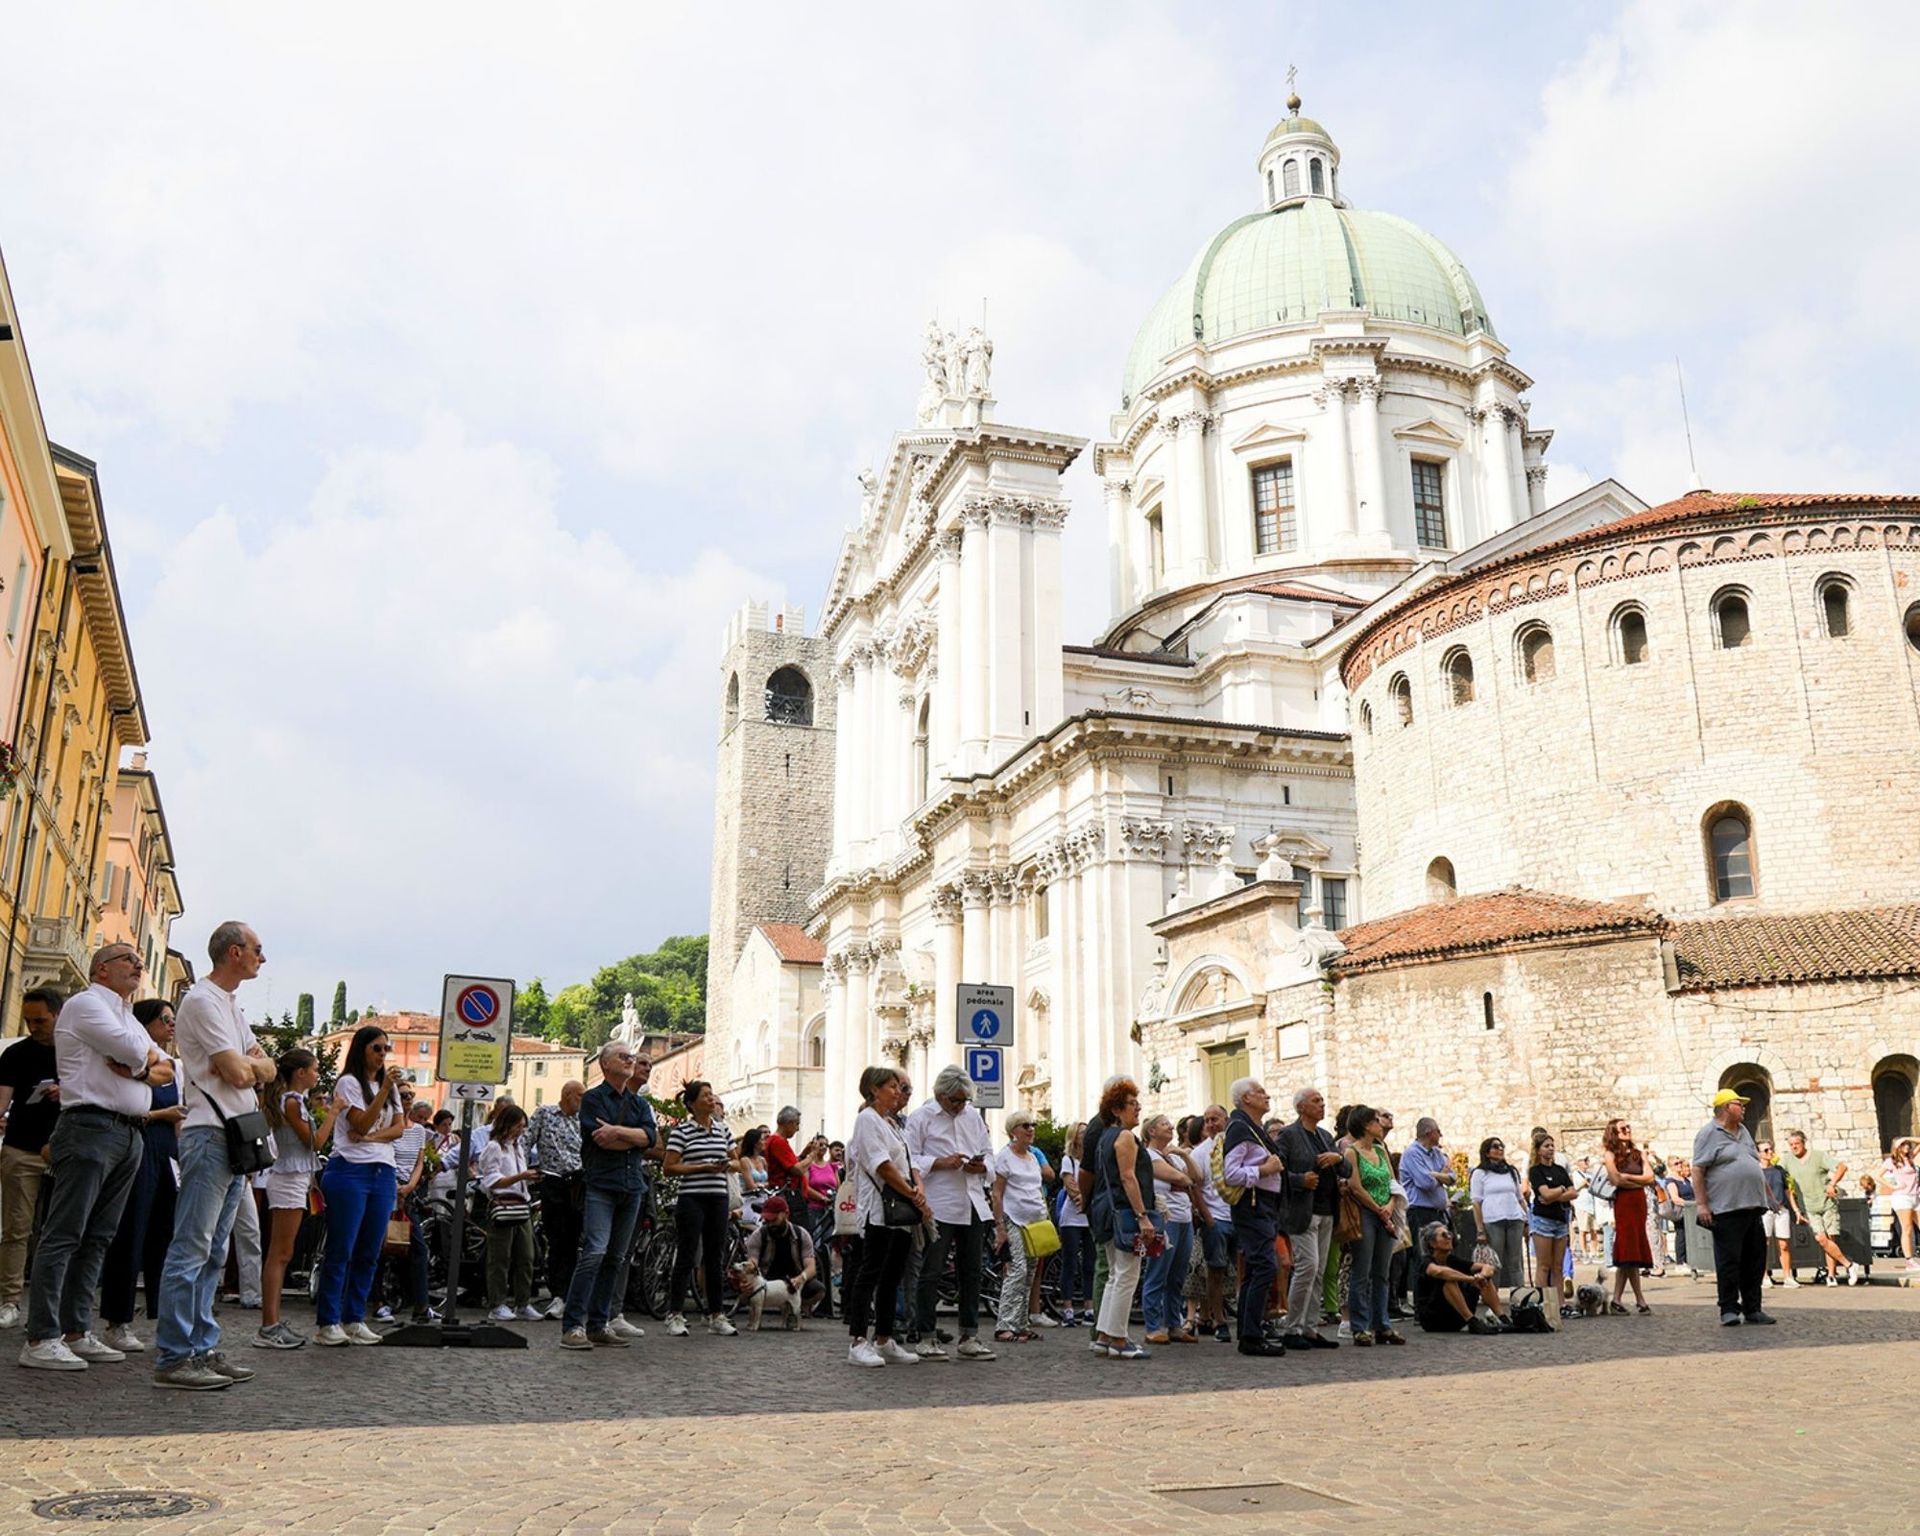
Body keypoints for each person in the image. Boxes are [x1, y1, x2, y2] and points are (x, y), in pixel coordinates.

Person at [20, 943, 173, 1372]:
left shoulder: (126, 1014)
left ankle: (74, 1330)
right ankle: (41, 1335)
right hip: (90, 1126)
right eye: (130, 959)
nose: (139, 964)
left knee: (99, 1236)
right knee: (65, 1233)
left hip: (128, 1132)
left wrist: (143, 1068)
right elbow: (134, 1051)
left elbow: (166, 1069)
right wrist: (146, 1062)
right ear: (102, 969)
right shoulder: (87, 1005)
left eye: (139, 960)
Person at [97, 998, 184, 1353]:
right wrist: (165, 1114)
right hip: (140, 1145)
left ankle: (160, 1313)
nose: (172, 1026)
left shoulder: (171, 1065)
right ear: (146, 1023)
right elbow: (133, 1108)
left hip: (166, 1154)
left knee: (164, 1232)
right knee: (130, 1232)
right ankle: (117, 1320)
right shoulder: (132, 1059)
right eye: (166, 1019)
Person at [314, 1024, 408, 1346]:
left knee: (370, 1251)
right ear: (362, 1049)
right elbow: (360, 1121)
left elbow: (399, 1129)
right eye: (377, 1048)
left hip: (383, 1170)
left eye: (386, 1049)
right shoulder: (349, 1082)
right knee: (341, 1248)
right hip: (350, 1169)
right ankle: (328, 1321)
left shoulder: (390, 1086)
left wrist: (370, 1137)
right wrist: (381, 1095)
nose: (383, 1055)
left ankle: (354, 1318)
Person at [561, 1042, 655, 1350]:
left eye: (632, 1057)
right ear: (604, 1065)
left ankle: (599, 1324)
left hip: (632, 1187)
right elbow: (601, 1140)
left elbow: (652, 1140)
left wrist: (619, 1133)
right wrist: (632, 1137)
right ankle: (574, 1325)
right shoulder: (592, 1099)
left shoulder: (640, 1104)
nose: (631, 1060)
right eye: (623, 1057)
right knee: (595, 1252)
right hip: (601, 1184)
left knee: (616, 1258)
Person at [905, 1065, 997, 1362]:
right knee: (931, 1271)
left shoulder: (972, 1117)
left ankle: (969, 1334)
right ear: (940, 1095)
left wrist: (981, 1166)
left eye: (964, 1101)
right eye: (955, 1101)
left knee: (972, 1271)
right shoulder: (921, 1118)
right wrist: (941, 1162)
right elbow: (909, 1159)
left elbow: (990, 1152)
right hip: (939, 1202)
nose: (960, 1106)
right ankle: (926, 1335)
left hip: (971, 1201)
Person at [844, 1065, 929, 1367]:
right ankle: (858, 1340)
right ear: (874, 1089)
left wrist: (916, 1189)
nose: (898, 1091)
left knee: (891, 1275)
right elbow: (881, 1165)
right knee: (870, 1273)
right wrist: (910, 1192)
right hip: (881, 1208)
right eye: (892, 1086)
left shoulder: (891, 1123)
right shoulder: (867, 1120)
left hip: (901, 1211)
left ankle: (884, 1337)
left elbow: (907, 1160)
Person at [0, 987, 65, 1333]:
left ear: (57, 1015)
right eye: (28, 1020)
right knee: (17, 1229)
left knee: (59, 1233)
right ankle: (9, 1300)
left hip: (64, 1150)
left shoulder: (76, 1052)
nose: (32, 1026)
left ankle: (46, 1309)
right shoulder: (15, 1054)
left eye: (39, 1020)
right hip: (21, 1149)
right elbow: (2, 1098)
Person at [1690, 1088, 1775, 1327]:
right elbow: (1698, 1170)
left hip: (1753, 1206)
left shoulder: (1744, 1131)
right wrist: (1702, 1205)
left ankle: (1753, 1308)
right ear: (1727, 1107)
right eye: (1740, 1104)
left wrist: (1768, 1195)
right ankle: (1728, 1309)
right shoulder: (1709, 1133)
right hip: (1726, 1209)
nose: (1745, 1108)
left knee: (1755, 1260)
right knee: (1729, 1262)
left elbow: (1751, 1164)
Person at [256, 1048, 322, 1347]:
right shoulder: (292, 1102)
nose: (317, 1074)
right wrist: (333, 1114)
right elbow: (314, 1141)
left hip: (293, 1177)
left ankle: (273, 1321)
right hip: (288, 1177)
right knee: (280, 1253)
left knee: (282, 1252)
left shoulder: (293, 1100)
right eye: (315, 1070)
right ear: (301, 1073)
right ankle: (269, 1324)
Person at [663, 1080, 739, 1337]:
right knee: (686, 1254)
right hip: (692, 1197)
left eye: (712, 1095)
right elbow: (669, 1166)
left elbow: (737, 1162)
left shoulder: (723, 1129)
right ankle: (674, 1314)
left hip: (718, 1197)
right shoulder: (681, 1132)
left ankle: (716, 1314)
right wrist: (702, 1167)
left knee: (715, 1257)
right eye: (706, 1095)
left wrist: (726, 1164)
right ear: (692, 1103)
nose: (712, 1099)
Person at [1219, 1080, 1286, 1358]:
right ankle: (1252, 1335)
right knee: (1264, 1267)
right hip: (1253, 1205)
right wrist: (1264, 1168)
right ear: (1246, 1098)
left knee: (1257, 1268)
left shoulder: (1252, 1128)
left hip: (1264, 1205)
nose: (1266, 1095)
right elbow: (1231, 1173)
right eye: (1260, 1092)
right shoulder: (1240, 1128)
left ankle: (1249, 1332)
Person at [1092, 1077, 1154, 1360]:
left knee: (1115, 1276)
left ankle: (1104, 1335)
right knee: (1128, 1275)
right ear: (1116, 1109)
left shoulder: (1105, 1136)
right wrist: (1143, 1215)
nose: (1137, 1109)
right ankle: (1118, 1337)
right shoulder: (1125, 1137)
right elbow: (1128, 1176)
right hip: (1122, 1210)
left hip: (1104, 1209)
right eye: (1131, 1104)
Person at [1276, 1087, 1342, 1351]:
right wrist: (1300, 1180)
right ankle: (1291, 1327)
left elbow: (1345, 1168)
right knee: (1307, 1266)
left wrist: (1337, 1158)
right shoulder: (1289, 1135)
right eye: (1316, 1101)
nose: (1322, 1104)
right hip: (1303, 1211)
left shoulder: (1326, 1136)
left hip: (1327, 1210)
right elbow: (1279, 1170)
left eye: (1323, 1101)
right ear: (1301, 1107)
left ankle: (1310, 1328)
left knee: (1319, 1270)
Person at [1344, 1106, 1403, 1347]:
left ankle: (1382, 1324)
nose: (1381, 1125)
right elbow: (1355, 1186)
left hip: (1384, 1213)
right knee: (1362, 1271)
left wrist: (1389, 1205)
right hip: (1365, 1213)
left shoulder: (1380, 1150)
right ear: (1367, 1125)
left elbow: (1392, 1181)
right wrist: (1377, 1209)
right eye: (1377, 1121)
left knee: (1382, 1272)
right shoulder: (1351, 1152)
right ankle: (1360, 1326)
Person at [988, 1108, 1048, 1342]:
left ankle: (1021, 1324)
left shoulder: (1032, 1157)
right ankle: (1004, 1324)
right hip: (1013, 1219)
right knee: (1016, 1270)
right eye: (1025, 1126)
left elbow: (1036, 1189)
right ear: (1013, 1131)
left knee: (1030, 1272)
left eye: (1032, 1125)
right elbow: (997, 1193)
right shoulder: (1004, 1157)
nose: (1031, 1129)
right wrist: (1000, 1227)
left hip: (1034, 1222)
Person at [1137, 1113, 1197, 1346]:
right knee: (1158, 1271)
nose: (1170, 1127)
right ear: (1151, 1131)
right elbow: (1177, 1177)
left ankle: (1174, 1323)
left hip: (1184, 1217)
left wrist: (1183, 1154)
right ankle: (1152, 1326)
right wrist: (1185, 1176)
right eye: (1164, 1124)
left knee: (1178, 1274)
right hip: (1164, 1217)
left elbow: (1196, 1176)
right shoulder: (1148, 1156)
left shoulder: (1174, 1156)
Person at [526, 1082, 584, 1319]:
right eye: (580, 1096)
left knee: (573, 1239)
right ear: (568, 1095)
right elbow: (526, 1141)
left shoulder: (582, 1121)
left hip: (578, 1183)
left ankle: (568, 1293)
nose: (583, 1101)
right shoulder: (545, 1114)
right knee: (557, 1238)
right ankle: (558, 1293)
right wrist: (521, 1171)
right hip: (553, 1180)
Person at [479, 1103, 540, 1323]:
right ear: (508, 1124)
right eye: (518, 1126)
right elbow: (492, 1180)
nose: (521, 1131)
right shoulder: (494, 1147)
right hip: (503, 1205)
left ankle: (522, 1302)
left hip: (520, 1205)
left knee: (526, 1256)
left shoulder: (517, 1147)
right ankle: (497, 1303)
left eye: (523, 1127)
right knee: (500, 1258)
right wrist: (521, 1177)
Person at [1778, 1130, 1860, 1285]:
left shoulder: (1818, 1156)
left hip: (1827, 1202)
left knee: (1830, 1238)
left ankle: (1831, 1275)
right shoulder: (1787, 1160)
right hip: (1808, 1206)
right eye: (1791, 1145)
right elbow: (1776, 1173)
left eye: (1797, 1143)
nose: (1794, 1147)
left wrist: (1832, 1184)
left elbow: (1842, 1167)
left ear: (1804, 1143)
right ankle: (1850, 1265)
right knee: (1821, 1239)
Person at [1414, 1222, 1510, 1335]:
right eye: (1444, 1235)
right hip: (1434, 1319)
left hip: (1456, 1318)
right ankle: (1472, 1322)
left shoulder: (1452, 1259)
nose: (1449, 1238)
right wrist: (1470, 1279)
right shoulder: (1426, 1261)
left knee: (1485, 1278)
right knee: (1448, 1279)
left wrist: (1481, 1277)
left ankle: (1503, 1319)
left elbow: (1488, 1267)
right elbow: (1438, 1271)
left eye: (1449, 1234)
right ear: (1432, 1243)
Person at [1601, 1118, 1657, 1313]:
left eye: (1628, 1127)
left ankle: (1618, 1299)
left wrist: (1630, 1178)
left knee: (1631, 1253)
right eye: (1623, 1128)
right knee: (1628, 1250)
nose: (1627, 1130)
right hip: (1624, 1204)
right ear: (1614, 1133)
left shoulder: (1638, 1153)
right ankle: (1639, 1299)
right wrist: (1639, 1183)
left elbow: (1650, 1177)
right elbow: (1616, 1180)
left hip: (1638, 1203)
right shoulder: (1610, 1154)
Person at [742, 1196, 823, 1321]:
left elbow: (811, 1267)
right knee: (742, 1286)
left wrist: (801, 1279)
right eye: (767, 1220)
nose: (770, 1223)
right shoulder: (758, 1235)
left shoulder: (802, 1234)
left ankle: (794, 1309)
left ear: (786, 1214)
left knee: (818, 1289)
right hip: (766, 1282)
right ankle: (761, 1307)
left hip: (793, 1280)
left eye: (773, 1219)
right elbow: (753, 1262)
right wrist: (746, 1280)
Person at [1470, 1136, 1528, 1290]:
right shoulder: (1480, 1173)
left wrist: (1527, 1219)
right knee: (1495, 1261)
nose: (1500, 1149)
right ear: (1487, 1152)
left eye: (1501, 1146)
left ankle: (1519, 1297)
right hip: (1493, 1219)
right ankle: (1492, 1297)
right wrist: (1480, 1229)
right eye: (1495, 1146)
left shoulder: (1511, 1172)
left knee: (1515, 1261)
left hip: (1514, 1217)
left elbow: (1520, 1198)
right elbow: (1476, 1202)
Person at [1527, 1131, 1575, 1314]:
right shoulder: (1536, 1171)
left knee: (1558, 1265)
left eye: (1552, 1146)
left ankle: (1560, 1304)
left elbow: (1573, 1192)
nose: (1551, 1149)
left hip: (1560, 1219)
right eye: (1546, 1146)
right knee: (1544, 1264)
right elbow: (1543, 1194)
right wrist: (1561, 1191)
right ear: (1538, 1150)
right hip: (1543, 1220)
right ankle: (1543, 1302)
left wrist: (1556, 1194)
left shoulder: (1560, 1170)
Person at [1055, 1121, 1093, 1327]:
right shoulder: (1068, 1160)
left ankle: (1089, 1308)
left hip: (1089, 1217)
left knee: (1090, 1264)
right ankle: (1068, 1308)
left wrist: (1086, 1200)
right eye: (1081, 1132)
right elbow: (1070, 1184)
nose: (1085, 1135)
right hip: (1072, 1217)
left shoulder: (1091, 1158)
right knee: (1069, 1263)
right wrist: (1081, 1198)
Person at [1883, 1136, 1919, 1268]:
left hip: (1915, 1195)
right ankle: (1909, 1260)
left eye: (1908, 1145)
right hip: (1902, 1197)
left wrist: (1906, 1137)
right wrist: (1892, 1186)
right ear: (1897, 1147)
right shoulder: (1892, 1161)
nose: (1907, 1147)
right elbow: (1877, 1175)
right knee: (1907, 1227)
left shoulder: (1910, 1158)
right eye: (1903, 1145)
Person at [765, 1106, 804, 1208]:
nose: (798, 1128)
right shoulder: (778, 1142)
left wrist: (804, 1154)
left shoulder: (774, 1140)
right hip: (785, 1193)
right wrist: (813, 1155)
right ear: (789, 1123)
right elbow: (797, 1169)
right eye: (797, 1124)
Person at [1572, 1154, 1602, 1266]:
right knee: (1583, 1230)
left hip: (1591, 1205)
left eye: (1587, 1160)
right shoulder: (1575, 1174)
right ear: (1578, 1162)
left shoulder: (1589, 1174)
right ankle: (1584, 1253)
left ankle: (1593, 1253)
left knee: (1594, 1229)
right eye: (1584, 1160)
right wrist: (1583, 1183)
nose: (1586, 1162)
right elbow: (1575, 1189)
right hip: (1581, 1205)